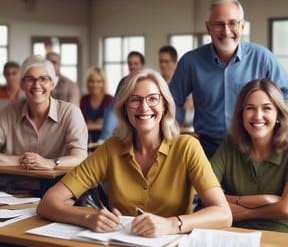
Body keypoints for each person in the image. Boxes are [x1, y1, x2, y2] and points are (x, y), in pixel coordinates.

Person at [37, 69, 232, 237]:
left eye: (153, 99)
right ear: (124, 109)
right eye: (135, 100)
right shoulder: (111, 148)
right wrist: (88, 218)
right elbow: (48, 203)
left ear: (164, 106)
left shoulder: (187, 147)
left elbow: (223, 214)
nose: (144, 107)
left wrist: (172, 224)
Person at [169, 0, 288, 159]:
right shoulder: (190, 62)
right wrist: (172, 130)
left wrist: (271, 123)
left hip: (254, 148)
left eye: (232, 23)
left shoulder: (262, 57)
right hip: (208, 149)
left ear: (242, 26)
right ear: (208, 27)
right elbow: (172, 101)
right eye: (219, 24)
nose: (226, 30)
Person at [210, 79, 288, 234]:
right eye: (250, 108)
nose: (258, 116)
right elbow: (208, 195)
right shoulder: (230, 143)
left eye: (267, 108)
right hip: (232, 234)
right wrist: (265, 200)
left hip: (281, 236)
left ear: (278, 114)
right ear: (241, 115)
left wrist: (232, 204)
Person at [0, 55, 88, 194]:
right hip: (12, 192)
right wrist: (20, 160)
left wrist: (51, 163)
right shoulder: (8, 113)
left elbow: (80, 158)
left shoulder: (70, 112)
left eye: (44, 79)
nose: (36, 85)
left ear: (53, 84)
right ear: (22, 85)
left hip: (57, 194)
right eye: (30, 79)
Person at [97, 51, 145, 142]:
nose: (132, 66)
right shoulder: (124, 81)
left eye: (136, 64)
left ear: (142, 65)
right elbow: (117, 103)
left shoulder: (146, 81)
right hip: (124, 112)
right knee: (111, 108)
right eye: (130, 64)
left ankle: (104, 139)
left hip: (139, 111)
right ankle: (103, 140)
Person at [159, 45, 194, 131]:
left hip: (185, 127)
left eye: (167, 61)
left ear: (175, 63)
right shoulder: (156, 83)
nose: (163, 65)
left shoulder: (186, 83)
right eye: (161, 61)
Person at [80, 66, 114, 142]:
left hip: (106, 140)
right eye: (91, 81)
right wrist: (99, 124)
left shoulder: (109, 99)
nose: (95, 85)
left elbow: (110, 127)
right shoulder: (84, 100)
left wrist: (90, 124)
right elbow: (80, 124)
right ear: (88, 83)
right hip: (86, 140)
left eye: (98, 82)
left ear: (103, 83)